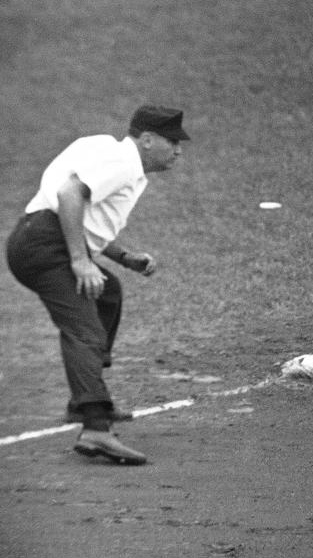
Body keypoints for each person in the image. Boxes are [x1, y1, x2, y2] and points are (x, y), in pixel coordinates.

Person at [6, 105, 190, 465]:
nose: (179, 151)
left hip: (37, 238)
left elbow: (85, 218)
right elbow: (69, 195)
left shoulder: (112, 155)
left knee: (107, 293)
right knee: (85, 329)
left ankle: (82, 399)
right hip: (45, 243)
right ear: (148, 140)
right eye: (173, 142)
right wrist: (78, 261)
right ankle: (95, 428)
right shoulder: (121, 162)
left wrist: (123, 257)